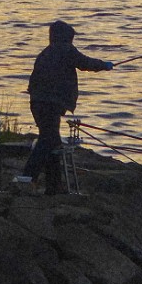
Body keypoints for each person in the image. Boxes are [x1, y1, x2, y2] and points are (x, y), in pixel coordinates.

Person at [15, 20, 114, 195]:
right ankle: (27, 178)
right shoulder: (66, 49)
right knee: (47, 141)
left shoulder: (45, 53)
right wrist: (103, 65)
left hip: (37, 103)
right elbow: (85, 63)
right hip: (50, 104)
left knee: (53, 142)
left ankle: (54, 186)